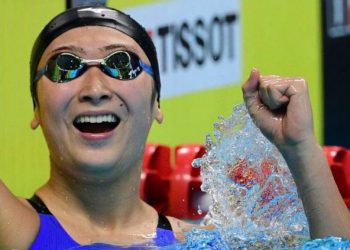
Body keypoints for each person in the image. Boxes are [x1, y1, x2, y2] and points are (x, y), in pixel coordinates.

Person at [0, 5, 349, 249]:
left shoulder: (199, 243)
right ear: (36, 107)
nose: (95, 88)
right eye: (66, 66)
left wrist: (300, 148)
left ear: (156, 104)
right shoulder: (14, 230)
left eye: (122, 64)